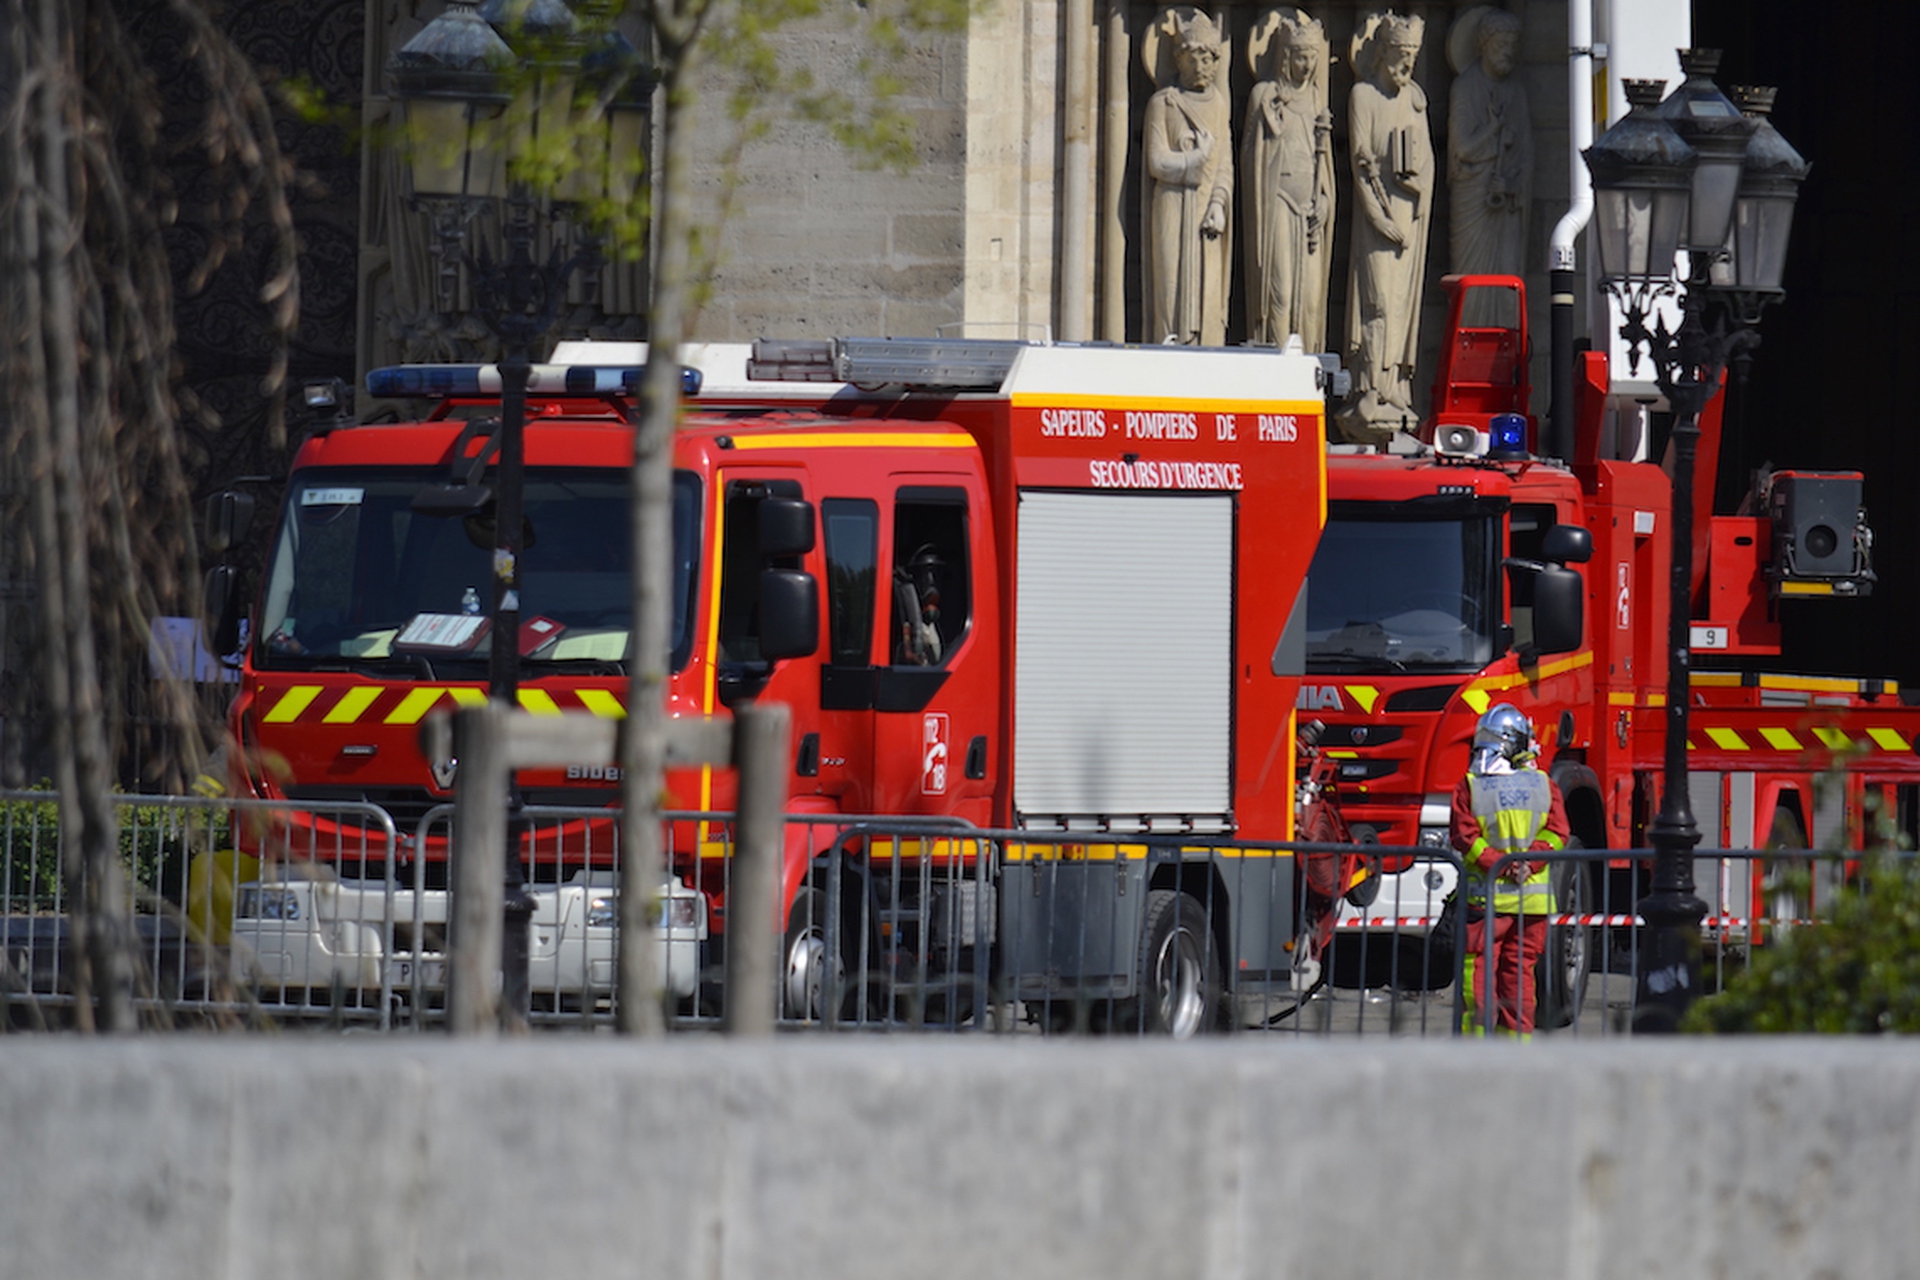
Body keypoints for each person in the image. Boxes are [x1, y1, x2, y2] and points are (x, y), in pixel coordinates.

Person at [1341, 11, 1434, 440]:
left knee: (1399, 305)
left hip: (1408, 217)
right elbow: (1360, 164)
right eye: (1400, 53)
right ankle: (1369, 386)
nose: (1407, 64)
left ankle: (1395, 384)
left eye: (1413, 55)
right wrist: (1380, 219)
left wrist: (1416, 184)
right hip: (1377, 220)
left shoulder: (1415, 99)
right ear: (1382, 52)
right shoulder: (1363, 95)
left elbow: (1429, 162)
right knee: (1376, 302)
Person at [1449, 702, 1566, 1036]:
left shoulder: (1470, 785)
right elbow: (1559, 834)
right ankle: (1517, 1050)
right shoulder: (1544, 784)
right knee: (1520, 977)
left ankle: (1476, 1050)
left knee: (1480, 975)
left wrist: (1500, 865)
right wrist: (1529, 862)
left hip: (1487, 901)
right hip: (1533, 904)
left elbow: (1464, 837)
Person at [1241, 8, 1335, 351]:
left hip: (1309, 207)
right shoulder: (1264, 95)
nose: (1307, 65)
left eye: (1312, 57)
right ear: (1285, 56)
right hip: (1277, 201)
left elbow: (1323, 166)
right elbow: (1250, 158)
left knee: (1308, 299)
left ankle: (1306, 370)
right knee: (1278, 292)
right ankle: (1275, 376)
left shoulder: (1316, 99)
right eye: (1300, 57)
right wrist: (1272, 129)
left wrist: (1324, 201)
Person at [1143, 9, 1232, 346]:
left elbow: (1224, 163)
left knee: (1206, 292)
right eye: (1194, 58)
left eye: (1209, 59)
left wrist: (1219, 204)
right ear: (1179, 60)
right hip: (1172, 206)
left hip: (1206, 207)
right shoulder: (1163, 103)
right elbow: (1156, 161)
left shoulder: (1219, 105)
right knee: (1171, 290)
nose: (1202, 67)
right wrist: (1194, 159)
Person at [1447, 7, 1531, 278]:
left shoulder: (1516, 92)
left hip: (1505, 200)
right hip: (1473, 197)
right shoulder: (1465, 87)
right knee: (1471, 273)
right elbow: (1463, 149)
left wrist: (1512, 185)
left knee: (1507, 273)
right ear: (1484, 44)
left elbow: (1526, 155)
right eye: (1501, 44)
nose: (1508, 51)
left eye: (1512, 45)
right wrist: (1493, 129)